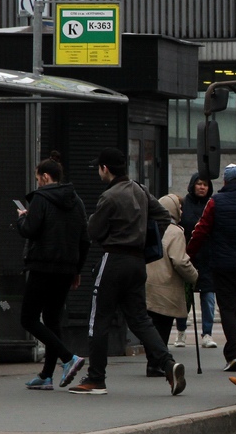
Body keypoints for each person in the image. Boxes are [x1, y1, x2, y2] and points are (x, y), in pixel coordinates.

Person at [69, 147, 185, 396]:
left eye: (99, 168)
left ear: (105, 169)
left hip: (113, 259)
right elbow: (164, 216)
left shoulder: (109, 197)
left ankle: (95, 378)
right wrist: (146, 240)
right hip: (137, 262)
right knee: (141, 319)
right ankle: (168, 364)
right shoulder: (140, 190)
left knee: (98, 320)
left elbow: (94, 231)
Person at [14, 152, 89, 391]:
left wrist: (22, 219)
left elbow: (30, 230)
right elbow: (84, 239)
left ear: (46, 177)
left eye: (38, 178)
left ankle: (69, 358)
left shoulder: (41, 198)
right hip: (67, 269)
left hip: (43, 266)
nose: (37, 183)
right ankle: (47, 375)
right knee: (52, 318)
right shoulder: (76, 200)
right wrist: (77, 269)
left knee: (28, 318)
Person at [187, 164, 236, 372]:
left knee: (228, 308)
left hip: (222, 265)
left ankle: (234, 354)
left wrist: (189, 254)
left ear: (225, 182)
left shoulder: (215, 202)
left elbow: (200, 230)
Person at [144, 194, 199, 376]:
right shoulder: (175, 231)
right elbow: (180, 261)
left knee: (151, 324)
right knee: (163, 324)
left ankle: (153, 360)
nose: (182, 211)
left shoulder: (149, 226)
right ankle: (157, 363)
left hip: (147, 283)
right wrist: (194, 276)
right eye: (179, 207)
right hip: (166, 285)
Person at [172, 173, 211, 348]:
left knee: (208, 295)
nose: (202, 187)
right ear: (192, 185)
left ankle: (207, 334)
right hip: (187, 256)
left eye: (205, 184)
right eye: (199, 184)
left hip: (207, 257)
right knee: (184, 296)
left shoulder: (212, 204)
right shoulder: (184, 205)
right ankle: (181, 332)